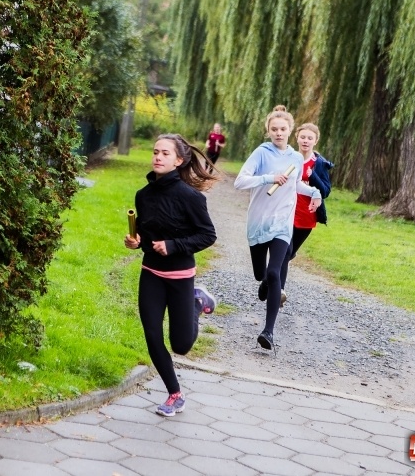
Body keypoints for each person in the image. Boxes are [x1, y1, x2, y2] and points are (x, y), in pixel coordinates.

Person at [124, 134, 219, 417]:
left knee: (181, 345)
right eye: (155, 152)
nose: (157, 157)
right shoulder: (143, 195)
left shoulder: (191, 197)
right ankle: (174, 394)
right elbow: (144, 232)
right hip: (151, 273)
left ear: (178, 160)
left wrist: (174, 246)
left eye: (165, 153)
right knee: (152, 335)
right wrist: (135, 241)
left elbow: (207, 235)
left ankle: (196, 302)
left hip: (180, 275)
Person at [234, 106, 321, 352]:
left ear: (290, 130)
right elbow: (240, 181)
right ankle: (265, 283)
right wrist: (268, 178)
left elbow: (296, 185)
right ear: (268, 131)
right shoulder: (261, 153)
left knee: (275, 273)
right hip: (259, 221)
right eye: (274, 129)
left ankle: (268, 332)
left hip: (282, 223)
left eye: (283, 129)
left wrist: (314, 192)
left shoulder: (295, 157)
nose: (279, 133)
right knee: (261, 275)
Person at [289, 122, 334, 261]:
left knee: (288, 254)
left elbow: (325, 192)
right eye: (303, 137)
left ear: (315, 141)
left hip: (306, 216)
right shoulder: (288, 158)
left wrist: (312, 176)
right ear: (297, 138)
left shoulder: (320, 164)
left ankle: (268, 282)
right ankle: (269, 282)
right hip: (285, 212)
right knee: (281, 253)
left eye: (309, 138)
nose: (305, 141)